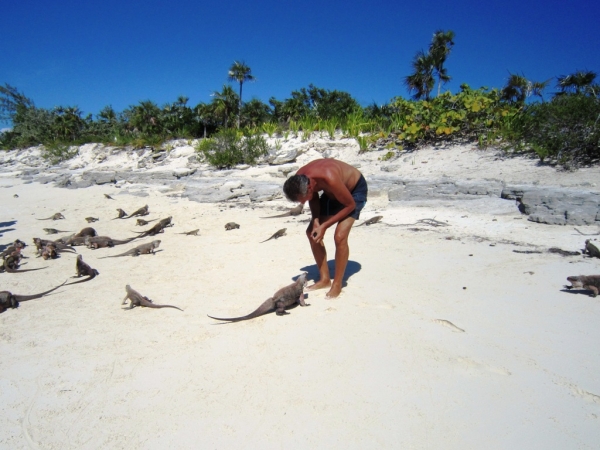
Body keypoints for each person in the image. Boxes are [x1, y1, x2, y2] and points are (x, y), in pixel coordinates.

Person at [283, 159, 368, 298]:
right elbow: (314, 198)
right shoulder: (300, 179)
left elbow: (350, 205)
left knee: (340, 236)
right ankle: (325, 280)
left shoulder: (328, 177)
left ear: (309, 188)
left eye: (303, 199)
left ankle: (338, 284)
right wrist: (316, 221)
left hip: (354, 192)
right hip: (332, 193)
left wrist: (324, 226)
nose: (302, 203)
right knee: (311, 232)